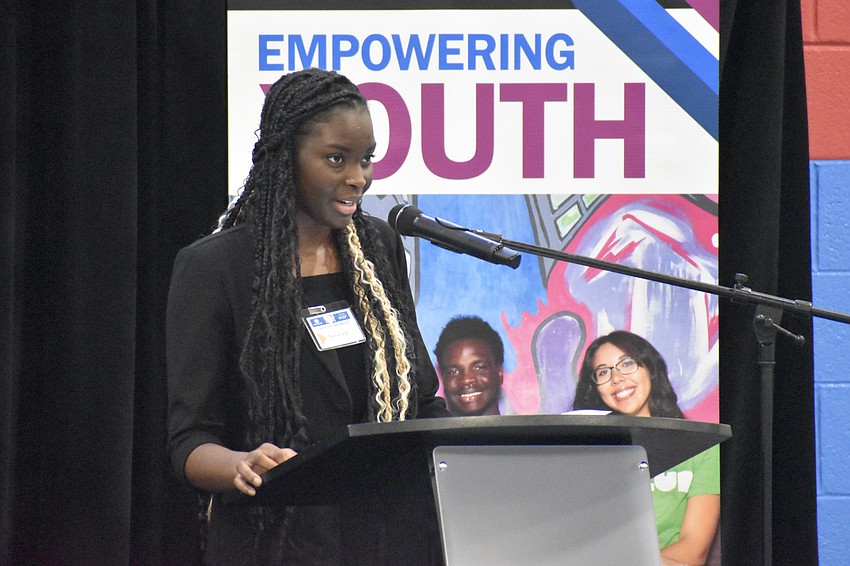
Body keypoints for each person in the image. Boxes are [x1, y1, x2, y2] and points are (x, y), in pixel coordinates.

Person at [166, 68, 449, 565]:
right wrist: (240, 465)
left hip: (382, 540)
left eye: (366, 159)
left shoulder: (380, 249)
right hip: (272, 543)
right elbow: (190, 441)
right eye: (337, 159)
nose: (358, 177)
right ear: (287, 158)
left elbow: (421, 400)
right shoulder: (214, 267)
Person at [572, 331, 720, 566]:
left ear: (650, 368)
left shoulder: (700, 445)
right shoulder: (585, 450)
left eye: (627, 364)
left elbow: (695, 550)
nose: (617, 378)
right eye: (603, 372)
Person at [433, 316, 504, 416]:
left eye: (479, 367)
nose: (466, 380)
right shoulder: (421, 426)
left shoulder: (525, 426)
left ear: (499, 372)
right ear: (442, 376)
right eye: (453, 372)